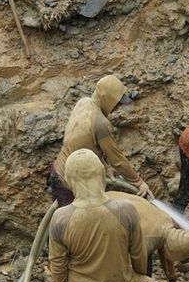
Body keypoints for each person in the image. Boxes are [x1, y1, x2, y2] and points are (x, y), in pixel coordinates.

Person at [49, 149, 179, 282]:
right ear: (101, 174)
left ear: (68, 180)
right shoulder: (125, 210)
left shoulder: (60, 218)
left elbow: (58, 267)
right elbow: (138, 256)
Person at [50, 75, 152, 206]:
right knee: (73, 224)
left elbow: (86, 142)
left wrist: (105, 166)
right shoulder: (101, 124)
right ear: (107, 99)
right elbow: (117, 159)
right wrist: (138, 182)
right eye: (117, 103)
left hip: (57, 170)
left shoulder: (84, 102)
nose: (117, 107)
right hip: (69, 184)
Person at [107, 192, 189, 282]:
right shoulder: (148, 241)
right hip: (105, 216)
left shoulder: (167, 222)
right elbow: (136, 267)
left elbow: (166, 251)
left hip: (112, 198)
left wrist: (173, 280)